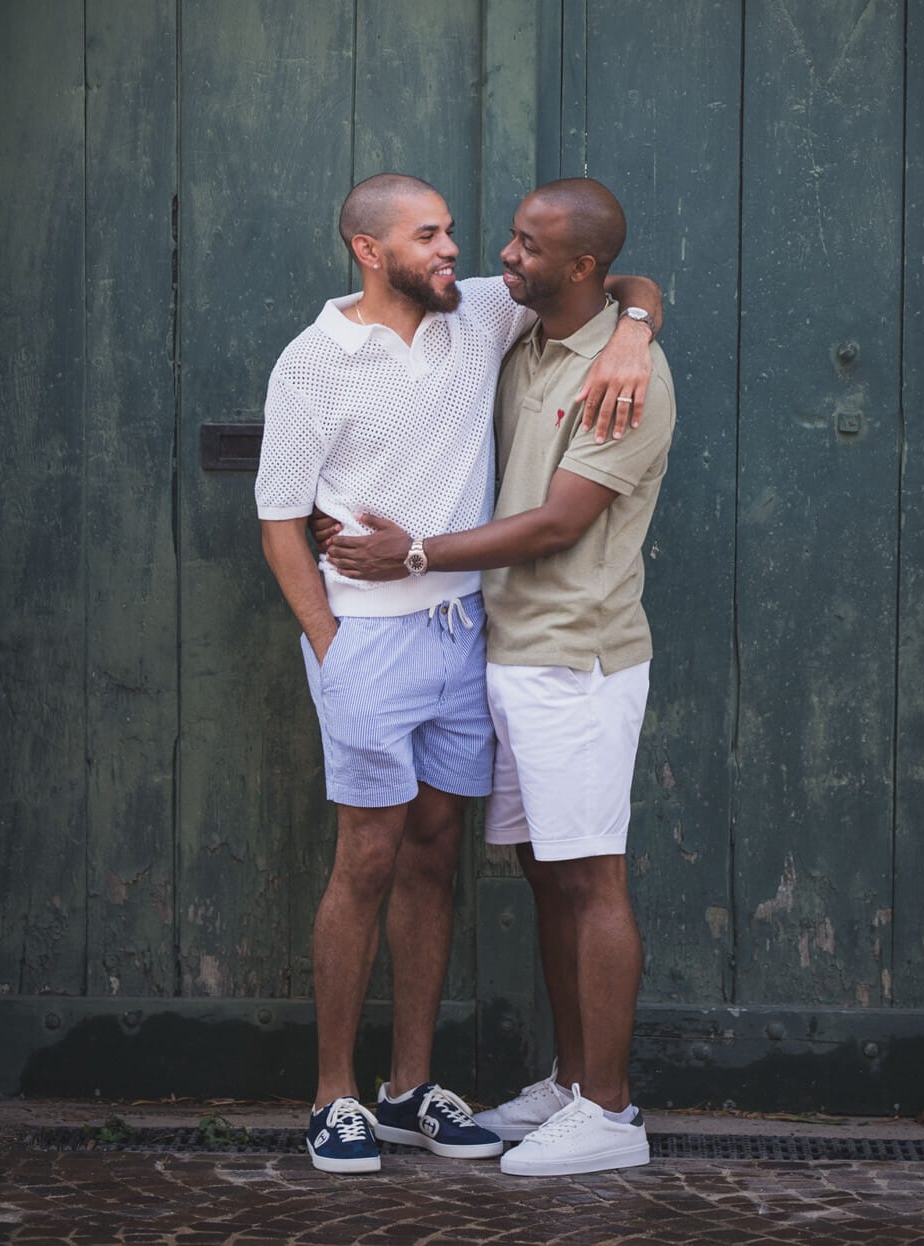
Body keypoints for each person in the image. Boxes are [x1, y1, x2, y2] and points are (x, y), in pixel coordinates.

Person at [256, 172, 661, 1175]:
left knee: (437, 856)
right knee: (366, 858)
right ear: (368, 249)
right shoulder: (313, 362)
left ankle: (409, 1089)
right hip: (371, 640)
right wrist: (331, 644)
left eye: (455, 236)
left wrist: (634, 326)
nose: (461, 253)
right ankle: (335, 1094)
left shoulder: (479, 313)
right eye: (429, 236)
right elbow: (277, 519)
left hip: (465, 637)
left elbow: (619, 275)